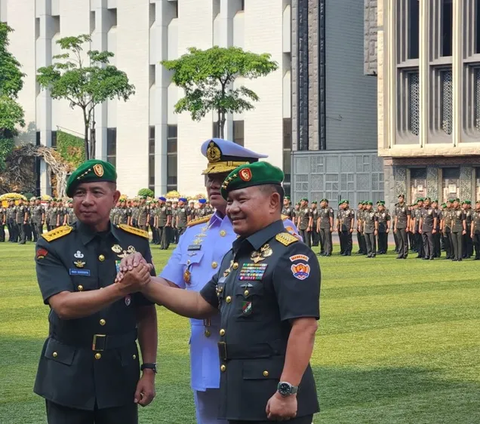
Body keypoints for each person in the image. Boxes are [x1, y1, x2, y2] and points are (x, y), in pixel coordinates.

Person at [118, 160, 319, 424]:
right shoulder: (237, 256)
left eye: (241, 200)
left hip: (273, 394)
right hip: (238, 390)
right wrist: (143, 281)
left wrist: (287, 391)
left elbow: (304, 327)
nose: (233, 209)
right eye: (231, 201)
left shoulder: (290, 254)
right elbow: (201, 304)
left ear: (273, 202)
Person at [34, 159, 158, 424]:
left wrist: (149, 370)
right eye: (79, 193)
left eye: (96, 192)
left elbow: (145, 311)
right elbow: (64, 306)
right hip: (68, 374)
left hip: (120, 371)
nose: (86, 200)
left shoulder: (134, 242)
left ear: (114, 198)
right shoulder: (54, 244)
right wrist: (120, 288)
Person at [394, 194, 410, 259]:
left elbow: (408, 217)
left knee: (404, 240)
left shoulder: (406, 207)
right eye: (399, 198)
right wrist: (395, 226)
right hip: (398, 225)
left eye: (401, 198)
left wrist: (408, 226)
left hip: (404, 225)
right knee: (399, 240)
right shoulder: (397, 207)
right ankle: (400, 253)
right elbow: (396, 217)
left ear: (403, 199)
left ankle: (405, 254)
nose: (400, 199)